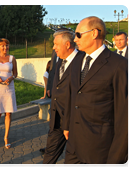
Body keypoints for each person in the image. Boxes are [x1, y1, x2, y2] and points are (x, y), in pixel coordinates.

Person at [63, 16, 130, 167]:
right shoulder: (76, 62)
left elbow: (125, 117)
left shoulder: (119, 65)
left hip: (100, 151)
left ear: (94, 33)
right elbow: (73, 96)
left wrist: (117, 158)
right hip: (73, 147)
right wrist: (67, 125)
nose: (75, 39)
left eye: (78, 34)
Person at [42, 30, 85, 167]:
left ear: (67, 44)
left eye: (56, 44)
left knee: (74, 159)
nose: (53, 47)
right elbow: (54, 78)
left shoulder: (83, 61)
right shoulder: (60, 58)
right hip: (56, 119)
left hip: (74, 121)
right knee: (49, 154)